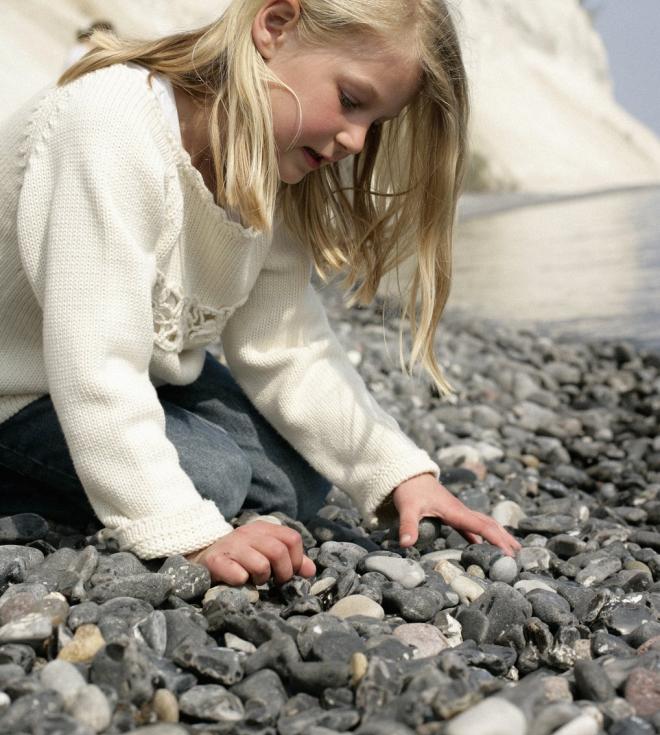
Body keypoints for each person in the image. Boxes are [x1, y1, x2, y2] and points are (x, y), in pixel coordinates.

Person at [0, 0, 520, 587]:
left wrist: (400, 475)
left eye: (375, 122)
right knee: (216, 477)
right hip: (18, 386)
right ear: (275, 26)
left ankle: (135, 476)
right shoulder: (110, 127)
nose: (354, 138)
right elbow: (96, 364)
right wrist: (191, 535)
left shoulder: (259, 164)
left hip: (130, 370)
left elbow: (288, 347)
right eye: (351, 101)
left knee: (293, 481)